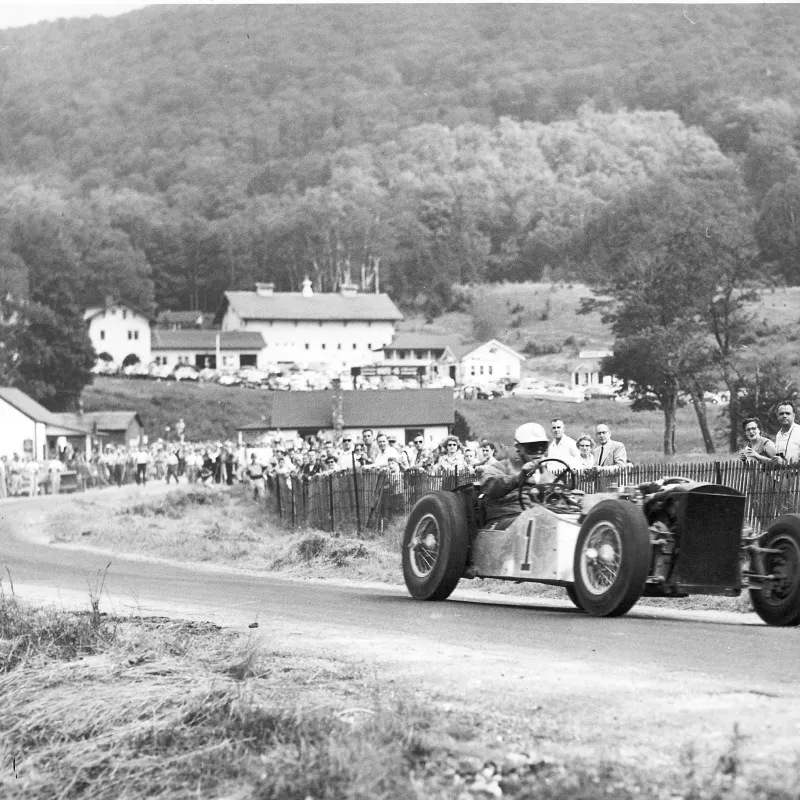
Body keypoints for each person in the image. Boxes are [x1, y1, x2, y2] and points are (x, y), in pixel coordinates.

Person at [480, 423, 550, 521]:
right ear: (518, 448)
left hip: (539, 519)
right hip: (507, 519)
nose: (539, 452)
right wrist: (519, 478)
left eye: (542, 446)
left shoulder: (545, 473)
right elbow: (489, 486)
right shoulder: (501, 466)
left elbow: (563, 492)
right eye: (533, 447)